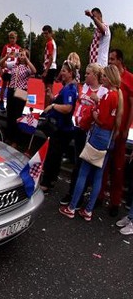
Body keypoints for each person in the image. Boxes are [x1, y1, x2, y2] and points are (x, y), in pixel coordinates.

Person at [60, 64, 121, 221]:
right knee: (98, 176)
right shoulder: (116, 96)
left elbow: (101, 120)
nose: (103, 79)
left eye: (106, 76)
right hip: (108, 138)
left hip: (98, 135)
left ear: (111, 78)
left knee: (83, 172)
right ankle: (88, 210)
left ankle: (72, 207)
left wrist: (94, 113)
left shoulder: (108, 96)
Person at [59, 63, 107, 206]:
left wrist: (97, 101)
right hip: (79, 130)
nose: (85, 76)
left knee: (86, 166)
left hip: (92, 133)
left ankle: (79, 196)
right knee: (78, 163)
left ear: (95, 75)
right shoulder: (83, 87)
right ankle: (73, 194)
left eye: (88, 73)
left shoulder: (103, 91)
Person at [100, 49, 133, 217]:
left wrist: (127, 127)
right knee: (102, 165)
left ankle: (115, 202)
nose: (110, 61)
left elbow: (132, 104)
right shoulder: (108, 76)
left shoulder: (129, 78)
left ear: (120, 60)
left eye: (113, 59)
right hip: (106, 129)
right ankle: (99, 196)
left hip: (120, 132)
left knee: (118, 168)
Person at [40, 60, 79, 192]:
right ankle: (50, 180)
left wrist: (53, 105)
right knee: (54, 156)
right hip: (62, 127)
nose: (61, 73)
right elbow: (59, 100)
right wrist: (51, 96)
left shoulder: (70, 88)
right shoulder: (67, 87)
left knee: (53, 156)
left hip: (63, 128)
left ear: (71, 73)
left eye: (64, 71)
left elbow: (68, 108)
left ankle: (47, 182)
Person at [4, 48, 36, 147]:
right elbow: (1, 64)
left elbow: (34, 71)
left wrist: (27, 60)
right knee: (9, 114)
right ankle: (8, 137)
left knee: (17, 116)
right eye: (20, 54)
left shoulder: (27, 67)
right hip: (11, 89)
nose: (21, 57)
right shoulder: (14, 65)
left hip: (21, 91)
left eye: (23, 55)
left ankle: (16, 140)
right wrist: (7, 56)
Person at [0, 31, 21, 111]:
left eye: (13, 38)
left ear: (16, 39)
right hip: (6, 69)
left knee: (11, 87)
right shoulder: (6, 47)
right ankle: (1, 101)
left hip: (14, 70)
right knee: (4, 85)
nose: (12, 40)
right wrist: (0, 68)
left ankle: (9, 103)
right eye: (10, 38)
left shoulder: (18, 48)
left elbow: (18, 59)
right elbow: (2, 57)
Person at [41, 25, 57, 108]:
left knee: (48, 90)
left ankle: (47, 109)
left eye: (46, 33)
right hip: (50, 67)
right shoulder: (50, 42)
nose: (45, 35)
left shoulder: (50, 43)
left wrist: (46, 71)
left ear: (51, 33)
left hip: (50, 68)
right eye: (44, 34)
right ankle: (48, 109)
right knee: (48, 90)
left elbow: (50, 57)